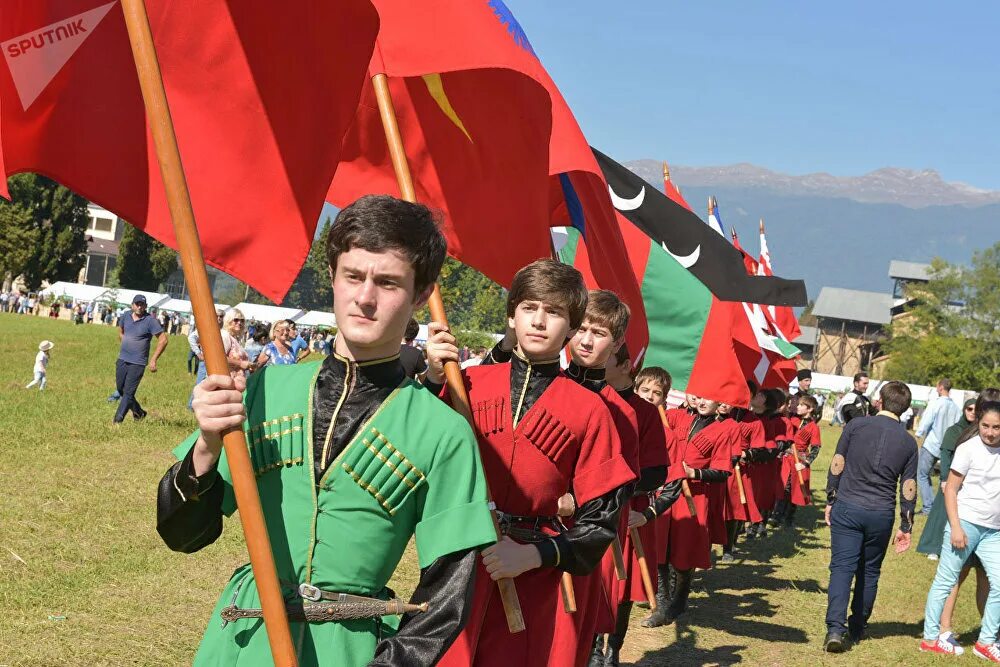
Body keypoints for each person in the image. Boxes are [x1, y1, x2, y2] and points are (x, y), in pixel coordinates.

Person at [156, 195, 497, 666]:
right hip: (243, 641)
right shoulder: (264, 389)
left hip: (349, 651)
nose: (365, 297)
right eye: (353, 276)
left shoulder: (445, 432)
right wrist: (206, 448)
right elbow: (184, 536)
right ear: (333, 276)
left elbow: (447, 595)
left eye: (388, 282)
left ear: (421, 294)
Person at [425, 260, 635, 667]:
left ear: (572, 328)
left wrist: (536, 554)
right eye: (529, 307)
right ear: (511, 314)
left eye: (554, 312)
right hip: (456, 567)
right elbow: (406, 445)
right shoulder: (465, 384)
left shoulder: (591, 410)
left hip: (533, 580)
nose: (539, 321)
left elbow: (600, 524)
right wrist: (433, 380)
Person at [823, 381, 918, 652]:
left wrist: (832, 498)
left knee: (842, 568)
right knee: (870, 571)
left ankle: (835, 628)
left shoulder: (855, 426)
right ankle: (857, 626)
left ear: (879, 401)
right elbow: (909, 487)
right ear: (906, 409)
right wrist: (906, 525)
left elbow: (837, 462)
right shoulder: (909, 443)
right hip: (881, 513)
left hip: (849, 505)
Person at [919, 400, 1000, 661]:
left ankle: (986, 642)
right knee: (945, 580)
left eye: (996, 427)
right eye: (985, 426)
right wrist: (955, 527)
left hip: (994, 531)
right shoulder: (968, 448)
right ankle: (931, 639)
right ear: (978, 424)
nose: (990, 432)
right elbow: (951, 489)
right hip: (964, 523)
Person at [114, 295, 168, 424]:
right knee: (121, 389)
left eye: (142, 304)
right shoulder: (126, 316)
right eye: (137, 304)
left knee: (128, 392)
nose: (139, 306)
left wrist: (153, 360)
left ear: (145, 306)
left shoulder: (150, 321)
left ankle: (117, 421)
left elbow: (163, 340)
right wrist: (126, 342)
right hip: (122, 358)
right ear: (132, 305)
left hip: (138, 362)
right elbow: (121, 332)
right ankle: (139, 413)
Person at [771, 394, 822, 528]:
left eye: (800, 405)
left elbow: (816, 448)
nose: (797, 407)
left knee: (795, 489)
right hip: (787, 458)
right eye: (797, 404)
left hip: (799, 461)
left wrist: (805, 463)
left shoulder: (813, 427)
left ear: (809, 409)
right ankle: (776, 515)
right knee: (783, 486)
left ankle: (788, 518)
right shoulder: (792, 420)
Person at [915, 379, 962, 515]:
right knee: (941, 478)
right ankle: (936, 507)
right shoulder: (955, 407)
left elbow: (927, 419)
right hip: (946, 446)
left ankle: (928, 507)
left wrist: (919, 433)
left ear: (940, 387)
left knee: (922, 474)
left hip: (932, 444)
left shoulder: (936, 403)